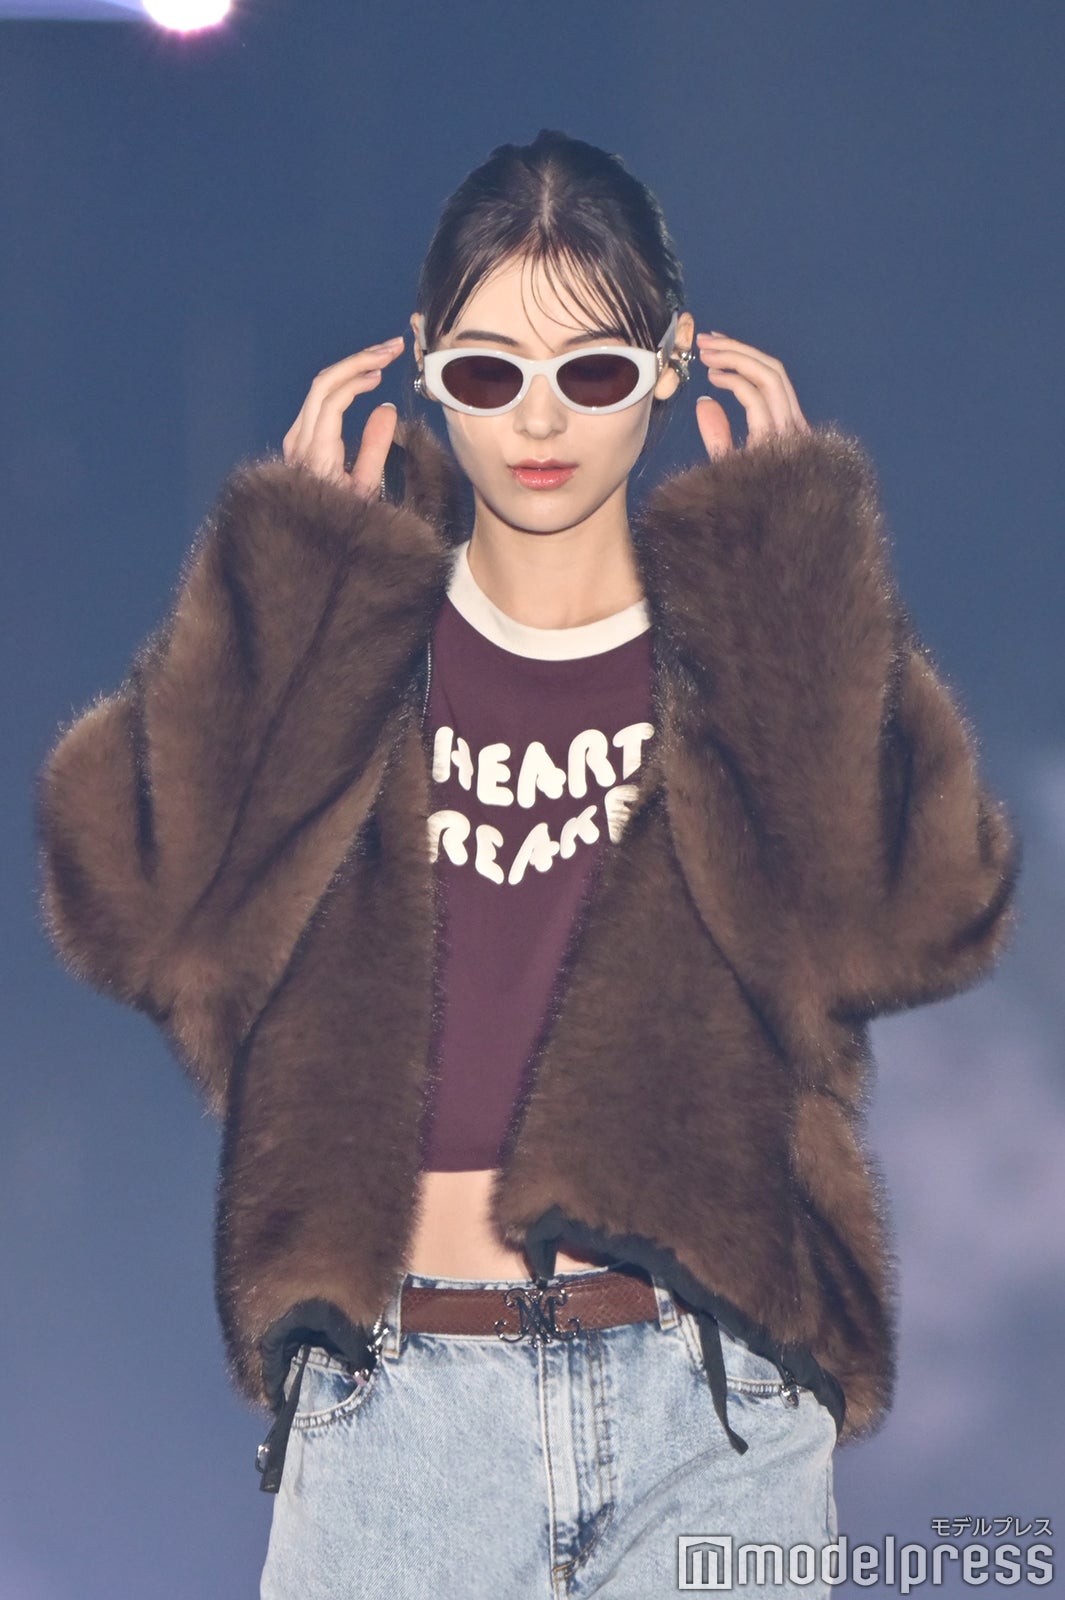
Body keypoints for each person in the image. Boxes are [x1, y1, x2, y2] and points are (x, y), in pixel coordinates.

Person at [33, 129, 1021, 1599]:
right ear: (428, 365)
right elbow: (145, 918)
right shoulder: (355, 645)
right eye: (490, 372)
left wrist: (795, 578)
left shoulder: (739, 648)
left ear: (671, 366)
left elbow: (911, 919)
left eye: (595, 372)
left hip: (709, 1411)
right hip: (391, 1418)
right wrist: (289, 593)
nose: (539, 418)